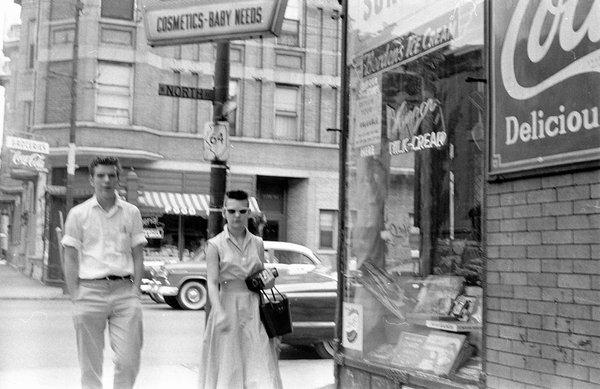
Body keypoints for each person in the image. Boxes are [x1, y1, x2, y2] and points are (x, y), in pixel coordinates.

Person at [61, 156, 147, 389]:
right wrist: (75, 296)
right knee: (90, 365)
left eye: (111, 175)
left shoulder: (131, 213)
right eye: (100, 175)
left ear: (118, 179)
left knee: (129, 360)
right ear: (92, 179)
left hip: (124, 292)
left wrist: (136, 292)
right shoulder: (78, 214)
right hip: (89, 291)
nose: (106, 180)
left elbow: (138, 254)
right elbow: (70, 257)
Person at [199, 190, 282, 389]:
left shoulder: (258, 243)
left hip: (254, 308)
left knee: (259, 363)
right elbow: (212, 282)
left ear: (248, 213)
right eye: (232, 210)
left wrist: (269, 279)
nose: (237, 215)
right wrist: (218, 310)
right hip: (226, 307)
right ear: (223, 212)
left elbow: (262, 280)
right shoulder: (214, 245)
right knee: (229, 366)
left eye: (242, 211)